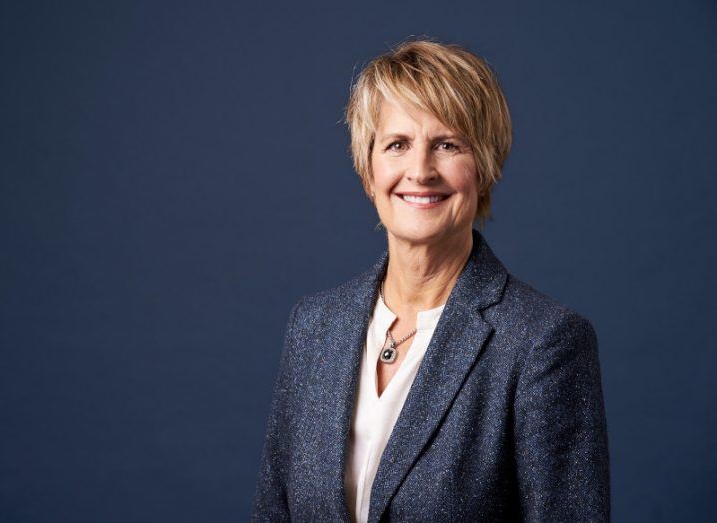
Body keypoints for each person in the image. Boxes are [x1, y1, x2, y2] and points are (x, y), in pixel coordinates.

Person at [251, 38, 609, 522]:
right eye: (397, 145)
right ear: (367, 169)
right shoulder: (315, 327)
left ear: (484, 166)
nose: (419, 171)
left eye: (447, 145)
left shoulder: (542, 343)